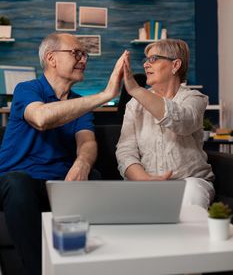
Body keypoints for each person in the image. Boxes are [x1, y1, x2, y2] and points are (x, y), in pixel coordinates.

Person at [0, 33, 126, 275]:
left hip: (58, 183)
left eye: (84, 55)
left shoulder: (79, 103)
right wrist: (104, 95)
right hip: (16, 182)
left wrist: (82, 164)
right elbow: (41, 118)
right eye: (76, 53)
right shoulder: (28, 89)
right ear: (51, 58)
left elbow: (87, 142)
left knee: (95, 176)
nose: (83, 60)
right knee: (19, 183)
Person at [116, 38, 215, 209]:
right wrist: (145, 179)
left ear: (175, 65)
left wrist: (136, 90)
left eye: (153, 59)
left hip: (189, 181)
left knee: (190, 196)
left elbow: (183, 122)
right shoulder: (134, 105)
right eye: (145, 60)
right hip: (145, 183)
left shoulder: (194, 99)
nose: (146, 65)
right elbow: (126, 151)